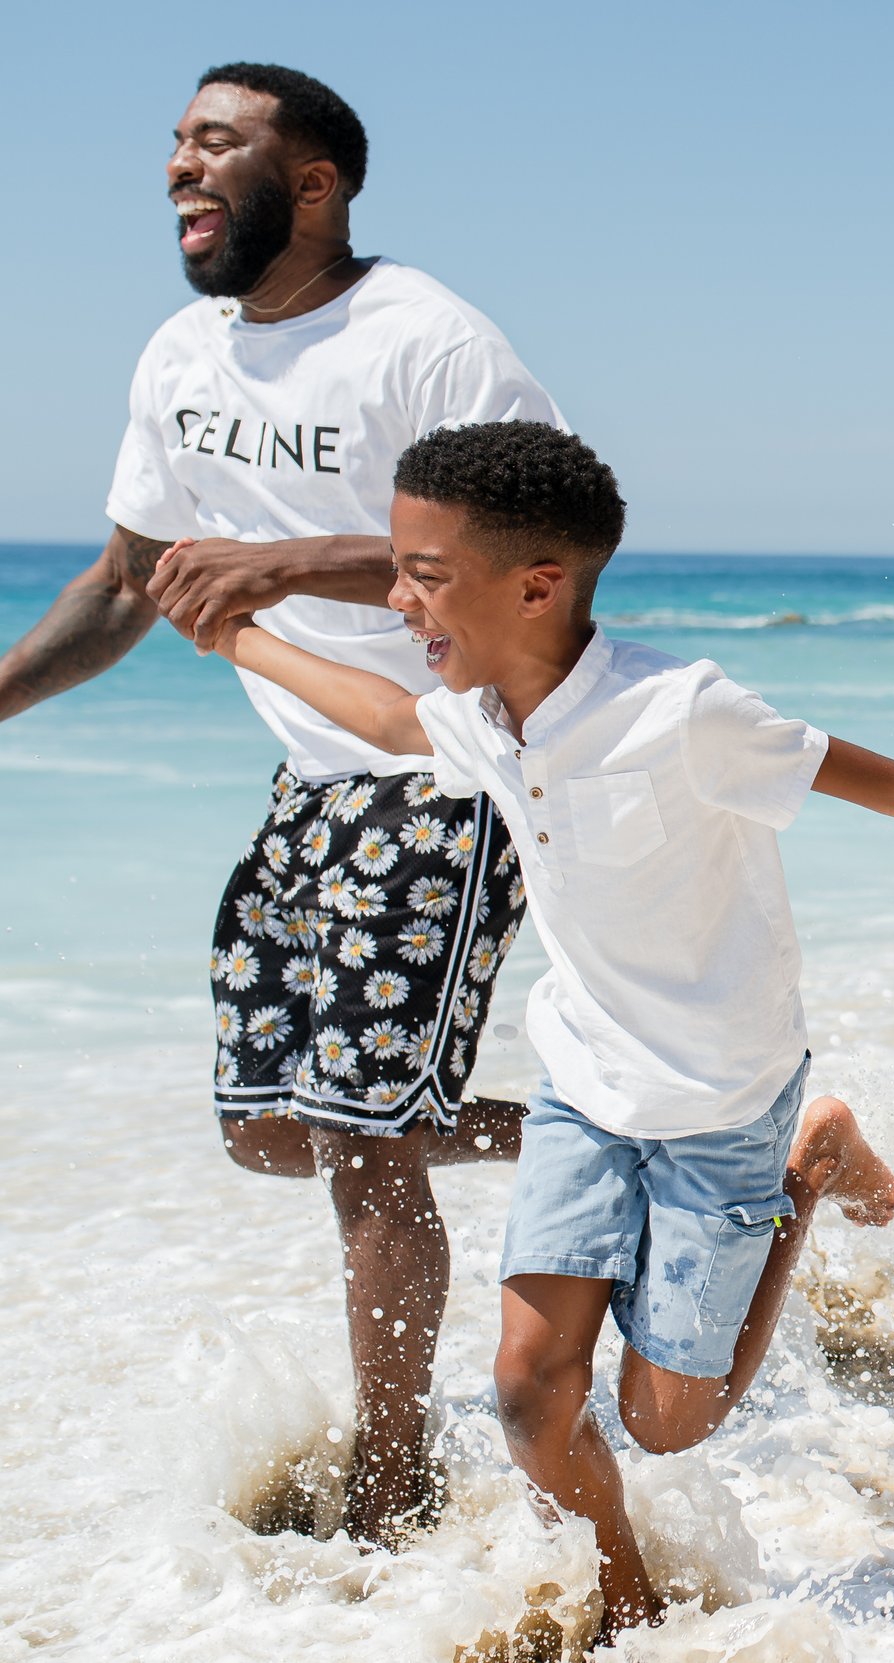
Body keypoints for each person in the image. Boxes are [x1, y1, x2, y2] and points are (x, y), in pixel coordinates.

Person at [204, 419, 894, 1634]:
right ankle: (625, 1591)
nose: (396, 599)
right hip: (585, 1087)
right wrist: (239, 636)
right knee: (524, 1392)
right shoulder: (485, 713)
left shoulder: (683, 712)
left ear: (539, 585)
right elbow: (391, 720)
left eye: (424, 576)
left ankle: (806, 1166)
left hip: (723, 1096)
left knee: (670, 1421)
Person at [0, 63, 564, 1542]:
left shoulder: (427, 340)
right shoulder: (181, 356)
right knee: (274, 1128)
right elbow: (126, 585)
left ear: (312, 182)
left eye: (216, 142)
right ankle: (608, 1125)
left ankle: (391, 1495)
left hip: (451, 764)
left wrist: (285, 563)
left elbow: (544, 544)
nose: (181, 165)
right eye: (176, 142)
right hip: (309, 778)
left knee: (365, 1137)